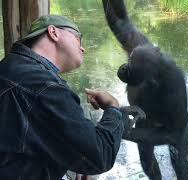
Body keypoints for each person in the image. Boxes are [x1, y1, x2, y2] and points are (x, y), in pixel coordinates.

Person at [0, 15, 125, 180]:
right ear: (53, 32)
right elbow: (100, 156)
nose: (83, 48)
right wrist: (113, 108)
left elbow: (22, 144)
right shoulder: (43, 86)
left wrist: (69, 160)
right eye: (78, 39)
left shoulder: (9, 67)